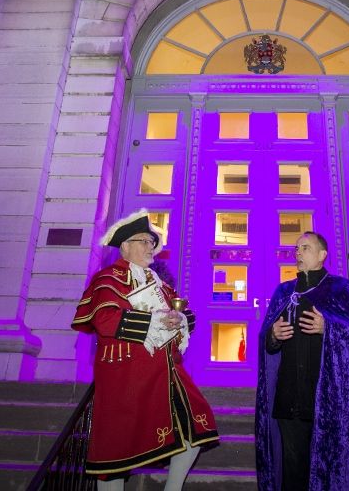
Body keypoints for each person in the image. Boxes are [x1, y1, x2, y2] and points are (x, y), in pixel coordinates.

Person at [71, 209, 219, 491]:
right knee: (116, 452)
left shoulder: (159, 284)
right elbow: (104, 320)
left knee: (195, 431)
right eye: (144, 241)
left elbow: (186, 314)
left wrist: (180, 321)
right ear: (125, 246)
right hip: (125, 377)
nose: (151, 246)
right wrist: (154, 321)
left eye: (153, 242)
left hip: (167, 373)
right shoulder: (108, 278)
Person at [255, 231, 349, 491]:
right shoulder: (283, 291)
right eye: (296, 249)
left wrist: (328, 327)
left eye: (305, 248)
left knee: (326, 472)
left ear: (322, 255)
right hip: (288, 399)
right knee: (293, 473)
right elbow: (266, 337)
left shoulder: (341, 289)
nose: (297, 253)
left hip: (325, 401)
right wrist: (273, 336)